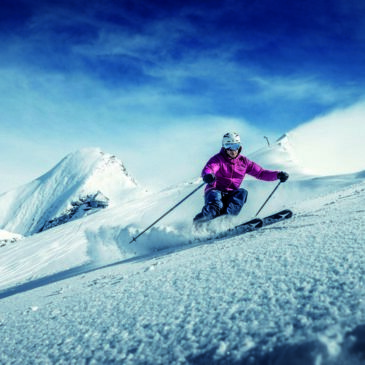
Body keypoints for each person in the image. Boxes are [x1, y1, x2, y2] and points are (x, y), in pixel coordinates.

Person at [193, 132, 289, 224]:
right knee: (216, 206)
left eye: (235, 146)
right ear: (224, 147)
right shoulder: (218, 159)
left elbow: (261, 173)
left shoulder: (244, 162)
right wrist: (208, 175)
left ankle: (226, 222)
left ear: (239, 147)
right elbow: (209, 168)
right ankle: (199, 222)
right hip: (215, 190)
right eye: (228, 146)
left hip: (231, 192)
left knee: (242, 193)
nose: (232, 150)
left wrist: (277, 175)